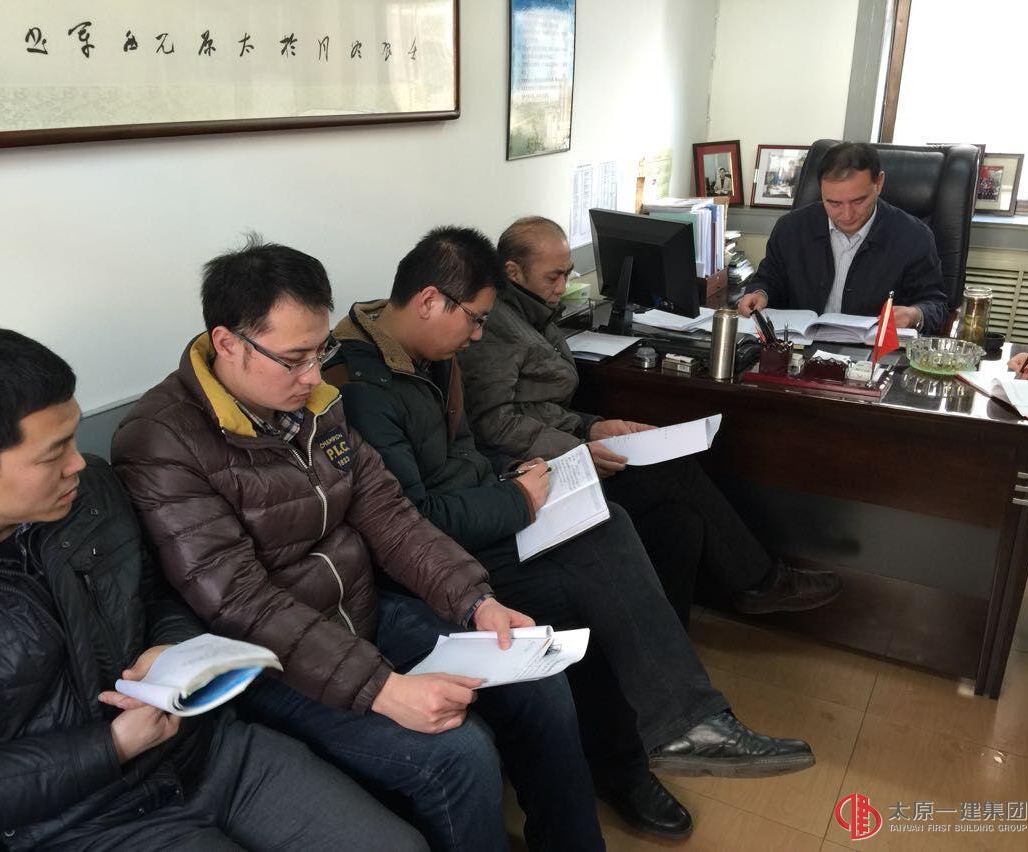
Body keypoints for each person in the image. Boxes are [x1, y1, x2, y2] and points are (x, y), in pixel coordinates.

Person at [110, 235, 605, 852]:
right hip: (270, 665)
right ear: (228, 343)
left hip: (362, 613)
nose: (313, 376)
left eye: (321, 352)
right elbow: (240, 602)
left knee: (536, 677)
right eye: (295, 359)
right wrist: (383, 690)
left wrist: (474, 601)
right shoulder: (161, 441)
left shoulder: (315, 405)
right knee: (458, 753)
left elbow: (389, 516)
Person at [326, 225, 818, 841]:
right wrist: (516, 497)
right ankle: (662, 739)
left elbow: (466, 450)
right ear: (429, 301)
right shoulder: (363, 388)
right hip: (437, 557)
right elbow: (413, 522)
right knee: (601, 576)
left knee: (627, 532)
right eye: (474, 320)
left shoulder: (430, 353)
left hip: (485, 508)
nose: (477, 335)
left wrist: (518, 476)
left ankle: (667, 734)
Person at [0, 324, 427, 852]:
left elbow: (157, 594)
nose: (78, 463)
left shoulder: (92, 494)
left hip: (204, 750)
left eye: (74, 438)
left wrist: (171, 646)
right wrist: (110, 746)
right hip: (75, 819)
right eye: (52, 454)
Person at [459, 215, 842, 625]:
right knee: (673, 470)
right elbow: (494, 424)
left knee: (681, 523)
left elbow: (534, 407)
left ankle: (672, 637)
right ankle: (761, 582)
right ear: (513, 272)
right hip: (533, 472)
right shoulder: (494, 326)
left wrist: (591, 426)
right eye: (554, 276)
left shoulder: (534, 312)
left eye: (567, 273)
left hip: (566, 449)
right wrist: (580, 446)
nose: (562, 285)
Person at [736, 141, 949, 334]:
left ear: (879, 183)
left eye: (858, 201)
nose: (847, 215)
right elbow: (769, 279)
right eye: (834, 203)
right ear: (821, 190)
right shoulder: (791, 228)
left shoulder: (914, 236)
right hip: (799, 350)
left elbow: (936, 305)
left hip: (872, 355)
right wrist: (760, 294)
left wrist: (914, 315)